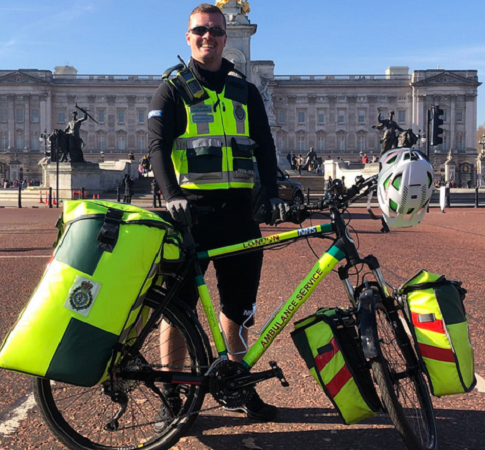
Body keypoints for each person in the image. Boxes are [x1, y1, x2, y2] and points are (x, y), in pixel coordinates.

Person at [148, 3, 284, 423]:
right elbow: (156, 147)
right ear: (188, 38)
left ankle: (236, 386)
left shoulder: (245, 89)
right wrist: (170, 194)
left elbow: (263, 143)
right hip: (191, 214)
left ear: (227, 38)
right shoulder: (171, 88)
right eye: (200, 31)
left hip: (239, 212)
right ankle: (172, 396)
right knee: (179, 308)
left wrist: (272, 191)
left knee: (239, 307)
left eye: (216, 31)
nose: (208, 37)